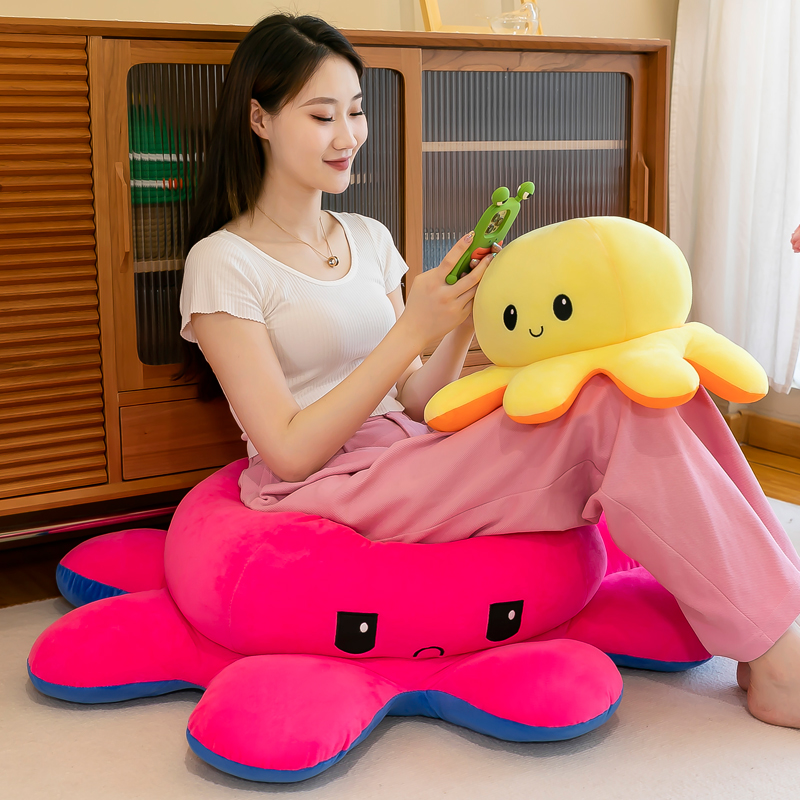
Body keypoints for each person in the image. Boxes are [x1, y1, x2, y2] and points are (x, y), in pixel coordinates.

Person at [179, 13, 800, 729]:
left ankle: (774, 629)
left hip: (409, 451)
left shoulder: (367, 238)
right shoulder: (222, 263)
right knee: (607, 409)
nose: (348, 136)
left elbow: (420, 399)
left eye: (356, 111)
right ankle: (777, 661)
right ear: (259, 119)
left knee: (648, 386)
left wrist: (458, 318)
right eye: (322, 116)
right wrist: (411, 329)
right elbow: (287, 450)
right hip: (329, 482)